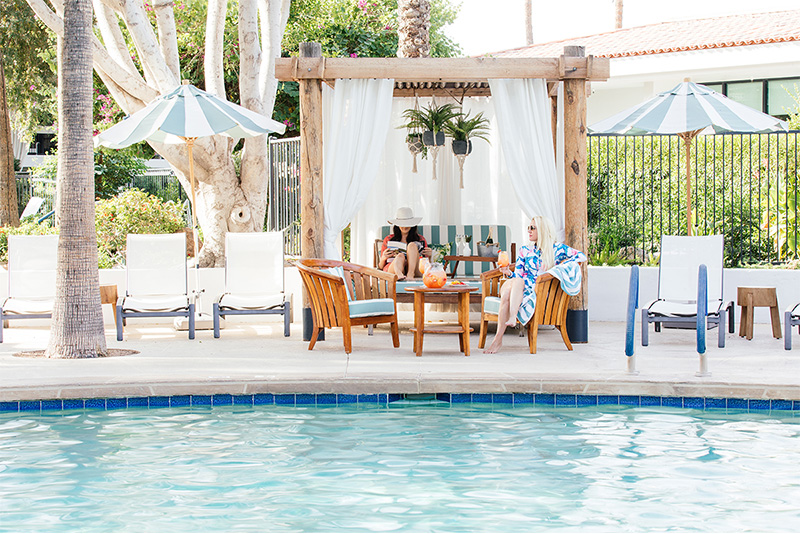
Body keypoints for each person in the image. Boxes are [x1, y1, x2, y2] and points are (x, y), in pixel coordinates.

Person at [483, 215, 587, 354]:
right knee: (515, 282)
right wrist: (508, 272)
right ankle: (511, 318)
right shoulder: (524, 250)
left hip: (535, 290)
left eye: (532, 228)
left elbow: (581, 256)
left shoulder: (557, 249)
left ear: (542, 230)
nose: (529, 230)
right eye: (528, 227)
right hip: (517, 285)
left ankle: (498, 339)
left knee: (508, 292)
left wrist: (559, 268)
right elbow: (518, 276)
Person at [379, 207, 432, 280]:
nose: (404, 226)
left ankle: (410, 274)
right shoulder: (388, 239)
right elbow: (380, 267)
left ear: (412, 224)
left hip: (415, 270)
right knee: (400, 256)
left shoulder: (420, 239)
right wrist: (383, 258)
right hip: (395, 268)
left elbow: (427, 265)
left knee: (412, 245)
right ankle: (399, 274)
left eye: (407, 224)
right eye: (401, 224)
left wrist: (429, 256)